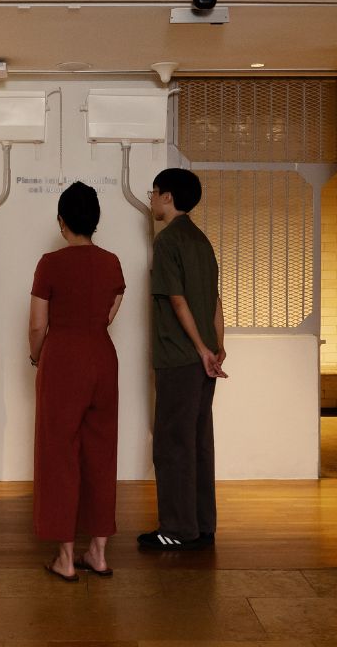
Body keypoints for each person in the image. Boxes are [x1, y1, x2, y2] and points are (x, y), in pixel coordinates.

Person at [29, 182, 126, 581]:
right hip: (103, 359)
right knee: (101, 454)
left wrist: (38, 355)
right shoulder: (113, 263)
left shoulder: (49, 263)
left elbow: (37, 325)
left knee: (59, 455)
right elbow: (109, 314)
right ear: (97, 221)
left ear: (62, 221)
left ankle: (66, 558)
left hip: (63, 361)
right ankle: (98, 553)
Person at [138, 167, 227, 551]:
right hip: (204, 359)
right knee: (198, 441)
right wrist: (216, 347)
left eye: (154, 192)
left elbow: (177, 300)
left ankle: (175, 528)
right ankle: (202, 524)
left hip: (179, 358)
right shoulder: (201, 241)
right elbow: (216, 303)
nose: (151, 199)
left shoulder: (168, 241)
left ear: (168, 196)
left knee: (172, 445)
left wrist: (200, 349)